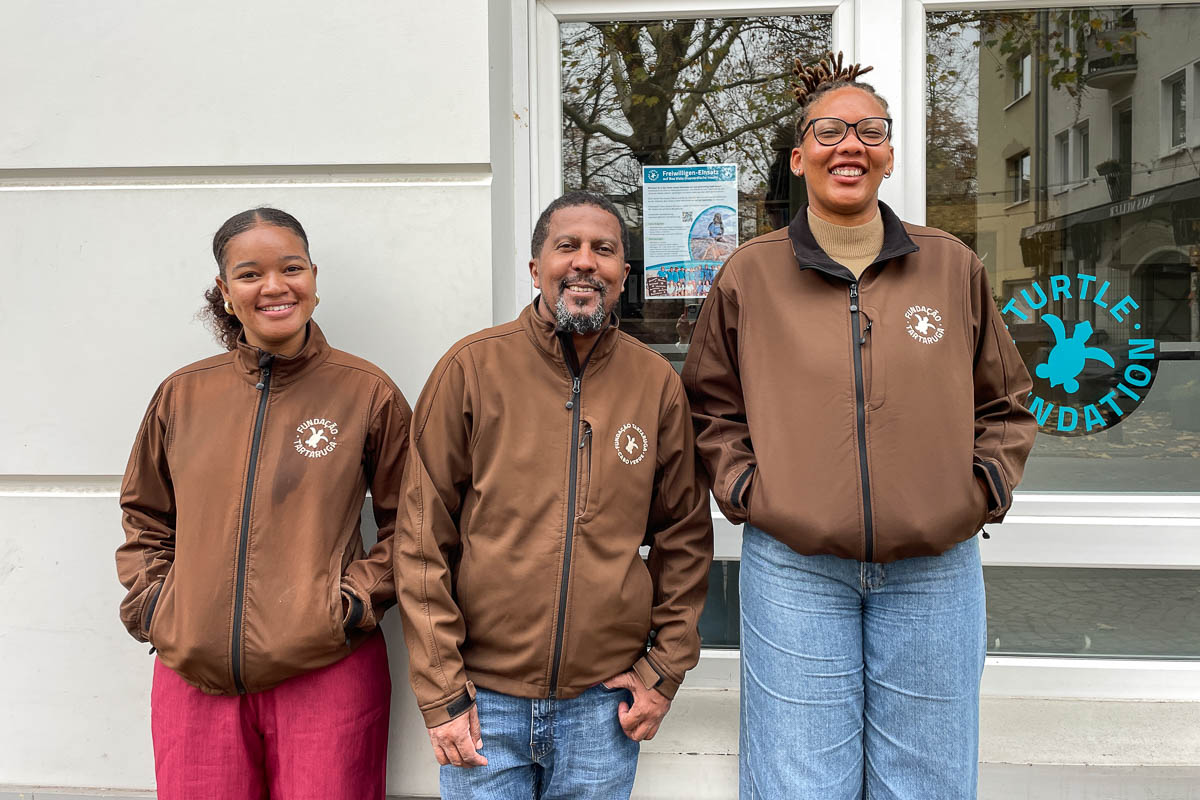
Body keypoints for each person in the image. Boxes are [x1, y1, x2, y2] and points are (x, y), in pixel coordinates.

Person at [682, 53, 1036, 799]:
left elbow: (1005, 403)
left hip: (935, 569)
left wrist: (977, 491)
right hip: (797, 568)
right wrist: (750, 490)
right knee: (800, 781)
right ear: (799, 156)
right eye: (830, 131)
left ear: (890, 154)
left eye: (870, 131)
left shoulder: (950, 265)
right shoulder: (750, 274)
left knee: (928, 783)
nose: (851, 145)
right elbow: (711, 406)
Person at [395, 190, 713, 799]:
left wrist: (663, 670)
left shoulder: (655, 384)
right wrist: (442, 692)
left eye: (605, 249)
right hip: (484, 706)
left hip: (603, 705)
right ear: (536, 267)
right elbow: (420, 537)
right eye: (566, 246)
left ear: (624, 273)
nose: (585, 261)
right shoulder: (471, 369)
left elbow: (685, 537)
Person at [116, 208, 410, 799]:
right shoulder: (182, 395)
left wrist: (350, 603)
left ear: (314, 278)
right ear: (225, 292)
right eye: (249, 274)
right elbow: (145, 514)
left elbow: (413, 524)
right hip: (193, 679)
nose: (275, 287)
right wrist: (156, 606)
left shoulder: (366, 392)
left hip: (326, 671)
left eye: (291, 268)